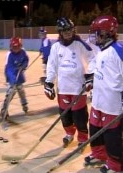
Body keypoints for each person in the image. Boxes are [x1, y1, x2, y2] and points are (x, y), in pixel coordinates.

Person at [44, 17, 95, 150]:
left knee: (79, 116)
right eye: (64, 30)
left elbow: (93, 58)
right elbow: (51, 65)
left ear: (73, 30)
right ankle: (69, 134)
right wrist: (49, 82)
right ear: (60, 32)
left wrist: (90, 75)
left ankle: (83, 138)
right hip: (63, 89)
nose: (67, 32)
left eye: (70, 29)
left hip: (78, 88)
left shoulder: (80, 44)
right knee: (65, 116)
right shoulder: (55, 47)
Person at [84, 15, 123, 173]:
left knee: (111, 136)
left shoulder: (118, 51)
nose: (94, 36)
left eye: (97, 33)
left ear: (108, 33)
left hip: (111, 104)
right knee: (94, 129)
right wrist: (90, 79)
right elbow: (98, 68)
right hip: (98, 101)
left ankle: (115, 164)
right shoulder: (102, 50)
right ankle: (99, 155)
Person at [0, 37, 29, 119]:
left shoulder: (23, 52)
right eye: (14, 47)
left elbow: (26, 59)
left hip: (19, 75)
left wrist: (24, 65)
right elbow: (9, 69)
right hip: (11, 75)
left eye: (18, 47)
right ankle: (4, 110)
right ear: (11, 47)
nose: (16, 49)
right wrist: (12, 81)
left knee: (21, 91)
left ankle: (24, 104)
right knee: (10, 93)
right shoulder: (10, 55)